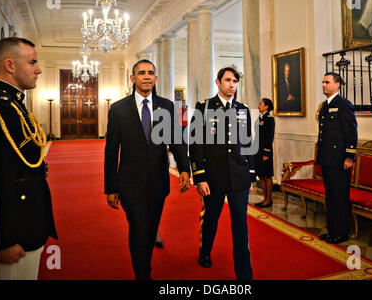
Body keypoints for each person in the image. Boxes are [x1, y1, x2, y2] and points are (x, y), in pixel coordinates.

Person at [104, 59, 190, 280]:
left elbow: (176, 139)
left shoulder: (167, 106)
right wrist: (110, 187)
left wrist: (184, 169)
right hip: (129, 183)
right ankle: (143, 274)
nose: (146, 76)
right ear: (133, 78)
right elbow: (112, 150)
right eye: (141, 73)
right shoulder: (118, 109)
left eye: (151, 72)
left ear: (156, 78)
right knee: (139, 229)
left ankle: (144, 264)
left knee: (151, 228)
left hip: (158, 182)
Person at [0, 37, 58, 279]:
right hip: (17, 232)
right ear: (10, 65)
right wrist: (3, 240)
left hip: (29, 221)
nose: (38, 69)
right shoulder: (1, 108)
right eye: (32, 62)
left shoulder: (15, 105)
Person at [189, 67, 256, 280]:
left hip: (238, 177)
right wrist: (199, 177)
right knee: (210, 219)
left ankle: (244, 274)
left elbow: (247, 143)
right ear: (217, 82)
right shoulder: (204, 107)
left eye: (235, 81)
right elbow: (196, 144)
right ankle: (205, 251)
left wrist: (250, 175)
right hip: (213, 178)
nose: (232, 85)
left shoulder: (242, 109)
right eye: (227, 80)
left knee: (240, 226)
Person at [317, 72, 358, 244]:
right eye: (323, 82)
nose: (324, 85)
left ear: (337, 85)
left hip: (340, 160)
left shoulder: (344, 104)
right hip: (327, 158)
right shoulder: (325, 106)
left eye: (327, 82)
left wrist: (349, 157)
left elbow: (351, 132)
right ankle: (332, 230)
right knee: (331, 197)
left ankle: (341, 233)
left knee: (340, 197)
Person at [254, 98, 275, 208]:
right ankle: (265, 198)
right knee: (261, 175)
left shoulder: (269, 119)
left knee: (267, 175)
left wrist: (266, 153)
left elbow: (269, 137)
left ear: (266, 106)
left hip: (265, 152)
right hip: (258, 151)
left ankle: (269, 199)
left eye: (260, 104)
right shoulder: (260, 118)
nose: (259, 106)